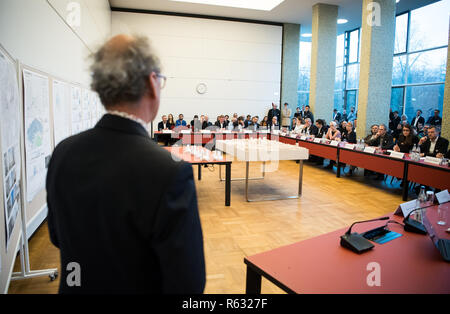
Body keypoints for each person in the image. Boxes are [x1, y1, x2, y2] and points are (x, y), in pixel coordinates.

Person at [46, 35, 205, 294]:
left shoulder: (63, 152)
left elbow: (57, 236)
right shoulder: (170, 170)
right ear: (151, 83)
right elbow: (188, 282)